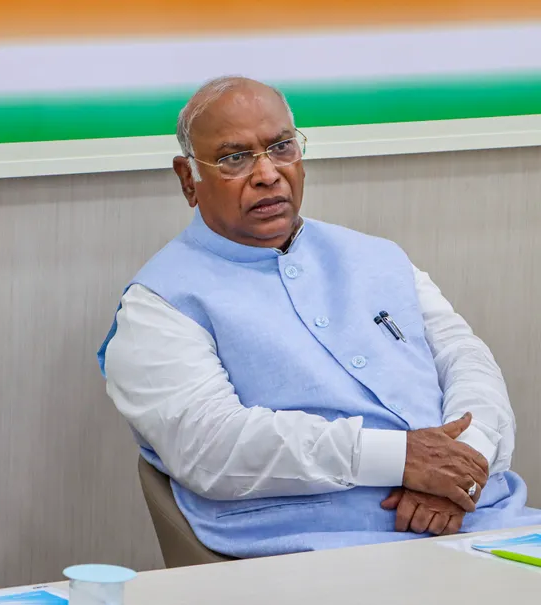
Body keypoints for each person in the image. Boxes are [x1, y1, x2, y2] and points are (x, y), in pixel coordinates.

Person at [98, 76, 541, 558]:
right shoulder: (159, 303)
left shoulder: (378, 257)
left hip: (484, 520)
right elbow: (213, 448)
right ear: (189, 179)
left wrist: (461, 465)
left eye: (281, 147)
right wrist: (401, 460)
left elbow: (467, 359)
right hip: (319, 551)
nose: (267, 174)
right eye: (234, 158)